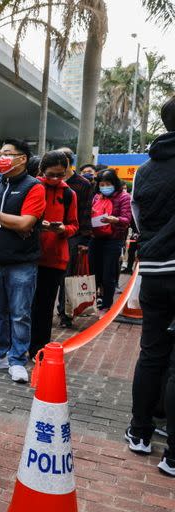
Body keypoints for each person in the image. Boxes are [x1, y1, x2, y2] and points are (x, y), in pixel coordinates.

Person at [126, 95, 175, 477]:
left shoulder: (145, 169)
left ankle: (140, 431)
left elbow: (138, 220)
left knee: (152, 352)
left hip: (155, 271)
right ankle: (172, 455)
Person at [0, 139, 45, 383]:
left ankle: (17, 360)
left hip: (21, 262)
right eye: (0, 153)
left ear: (22, 158)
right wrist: (9, 220)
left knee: (19, 313)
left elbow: (26, 223)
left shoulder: (33, 186)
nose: (1, 157)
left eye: (7, 153)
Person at [29, 151, 79, 356]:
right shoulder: (32, 187)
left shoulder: (69, 194)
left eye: (61, 174)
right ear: (42, 170)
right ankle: (18, 347)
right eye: (51, 174)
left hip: (55, 258)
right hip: (29, 256)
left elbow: (74, 225)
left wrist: (63, 230)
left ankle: (38, 350)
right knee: (24, 306)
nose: (56, 179)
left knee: (44, 307)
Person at [56, 148, 94, 328]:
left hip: (73, 235)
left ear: (68, 163)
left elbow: (86, 213)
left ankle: (65, 314)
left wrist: (84, 240)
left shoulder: (82, 184)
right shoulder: (48, 180)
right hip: (49, 234)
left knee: (67, 276)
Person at [88, 169, 131, 312]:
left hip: (113, 240)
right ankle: (96, 299)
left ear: (114, 183)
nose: (104, 187)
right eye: (102, 184)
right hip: (96, 238)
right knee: (94, 272)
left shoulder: (124, 197)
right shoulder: (97, 197)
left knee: (108, 274)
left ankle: (107, 303)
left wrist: (115, 219)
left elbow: (127, 219)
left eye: (108, 184)